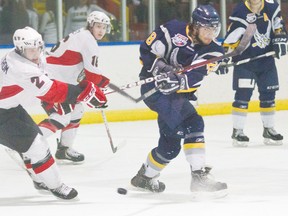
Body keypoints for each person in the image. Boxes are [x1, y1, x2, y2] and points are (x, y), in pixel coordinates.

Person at [130, 4, 227, 194]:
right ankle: (199, 178)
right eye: (207, 29)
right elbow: (146, 50)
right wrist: (160, 67)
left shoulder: (214, 50)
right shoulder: (172, 30)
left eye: (215, 29)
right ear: (195, 26)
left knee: (170, 146)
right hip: (154, 89)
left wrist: (177, 81)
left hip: (178, 95)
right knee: (193, 122)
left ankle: (145, 177)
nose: (211, 34)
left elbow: (195, 76)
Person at [0, 27, 107, 199]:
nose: (36, 53)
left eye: (38, 48)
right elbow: (50, 90)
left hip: (10, 108)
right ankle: (56, 186)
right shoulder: (20, 67)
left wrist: (59, 101)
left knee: (33, 143)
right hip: (2, 114)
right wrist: (82, 91)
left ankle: (39, 178)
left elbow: (45, 82)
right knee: (38, 146)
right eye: (30, 50)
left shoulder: (25, 55)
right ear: (20, 49)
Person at [38, 11, 111, 164]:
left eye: (104, 27)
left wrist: (101, 84)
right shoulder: (88, 41)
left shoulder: (83, 35)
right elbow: (92, 77)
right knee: (61, 116)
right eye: (98, 26)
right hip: (49, 82)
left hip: (57, 80)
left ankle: (64, 149)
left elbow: (86, 75)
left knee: (76, 110)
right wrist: (99, 89)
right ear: (91, 25)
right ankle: (25, 144)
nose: (101, 31)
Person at [222, 0, 287, 147]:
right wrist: (224, 57)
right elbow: (232, 36)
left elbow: (278, 26)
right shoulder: (240, 11)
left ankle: (269, 129)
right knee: (243, 96)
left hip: (267, 62)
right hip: (245, 63)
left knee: (269, 95)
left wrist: (280, 40)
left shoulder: (272, 7)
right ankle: (238, 131)